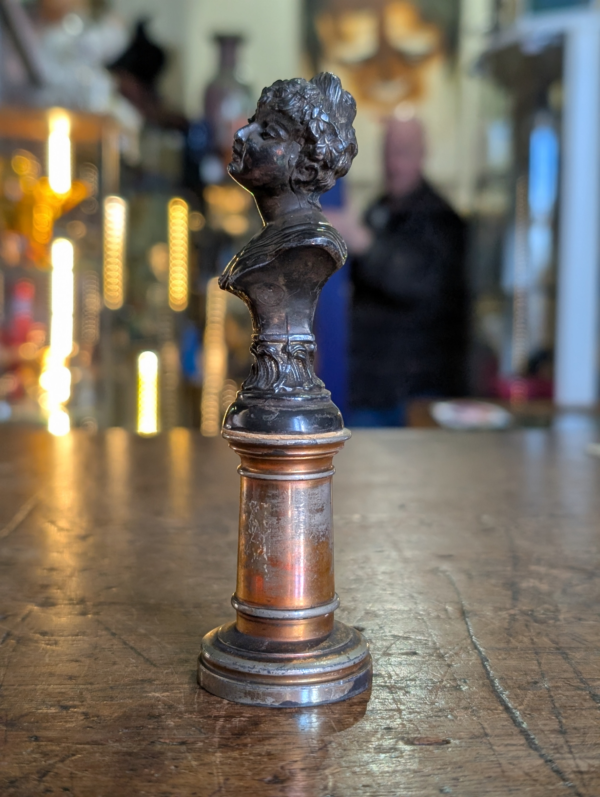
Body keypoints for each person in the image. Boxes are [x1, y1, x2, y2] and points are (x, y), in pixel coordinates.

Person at [338, 114, 468, 426]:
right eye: (388, 152)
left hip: (415, 394)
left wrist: (362, 241)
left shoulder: (441, 218)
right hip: (368, 388)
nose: (394, 163)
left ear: (423, 154)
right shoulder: (378, 209)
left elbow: (418, 281)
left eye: (404, 152)